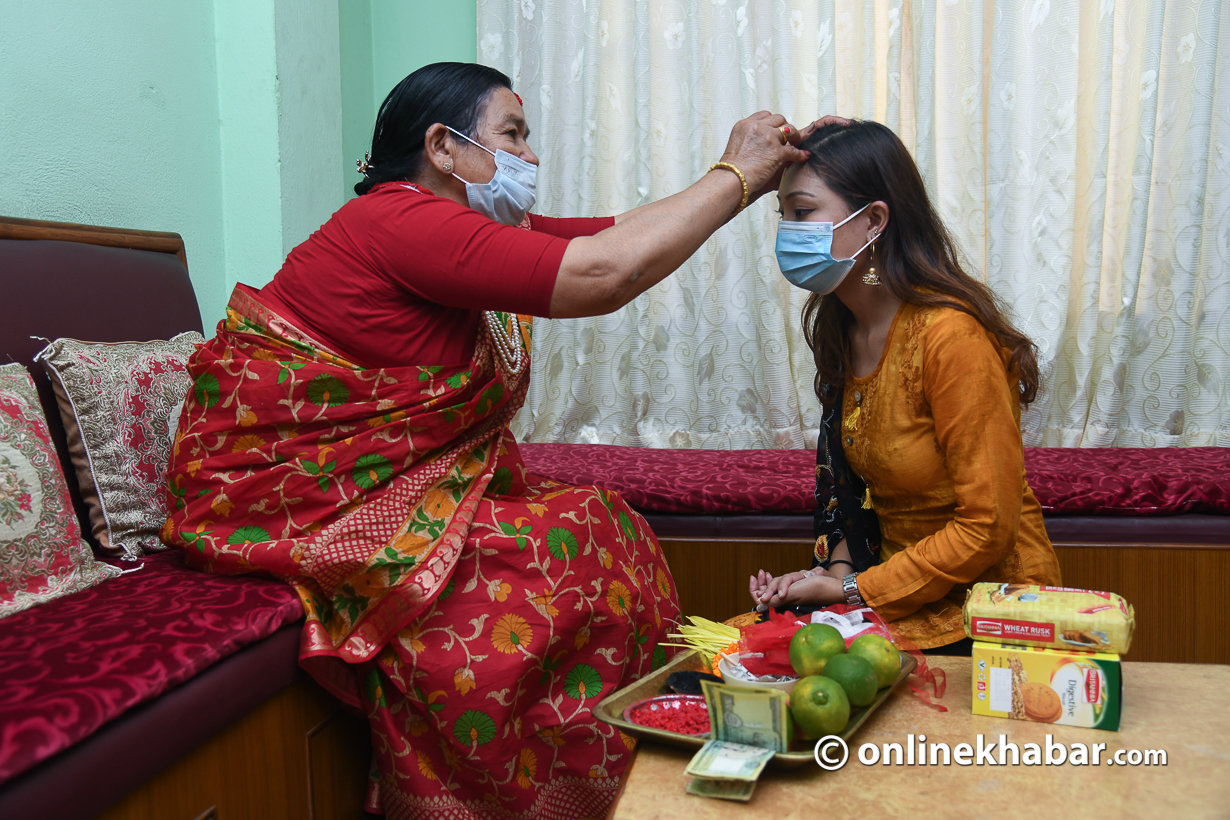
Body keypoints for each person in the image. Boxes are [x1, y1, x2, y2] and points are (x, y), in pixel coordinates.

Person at [162, 62, 822, 819]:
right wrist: (735, 173)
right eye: (513, 134)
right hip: (288, 496)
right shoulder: (399, 220)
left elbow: (613, 235)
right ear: (443, 147)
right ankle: (506, 794)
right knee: (567, 543)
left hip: (381, 478)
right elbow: (605, 273)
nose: (531, 158)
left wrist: (743, 181)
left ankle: (611, 777)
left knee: (602, 522)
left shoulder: (461, 226)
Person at [749, 120, 1061, 654]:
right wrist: (825, 579)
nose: (788, 232)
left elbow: (988, 527)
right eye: (783, 216)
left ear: (872, 221)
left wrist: (851, 590)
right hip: (892, 593)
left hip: (991, 609)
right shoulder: (840, 328)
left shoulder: (950, 338)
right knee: (746, 645)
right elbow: (852, 490)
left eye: (802, 213)